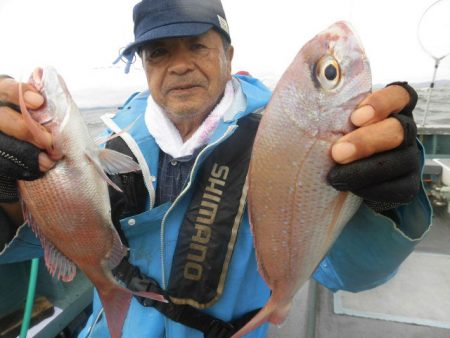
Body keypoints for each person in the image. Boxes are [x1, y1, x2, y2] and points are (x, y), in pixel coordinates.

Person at [0, 0, 431, 337]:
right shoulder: (109, 143)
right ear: (145, 67)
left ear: (228, 51)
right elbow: (44, 238)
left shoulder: (288, 138)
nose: (180, 64)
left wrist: (380, 207)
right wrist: (5, 194)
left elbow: (350, 273)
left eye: (197, 45)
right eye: (159, 52)